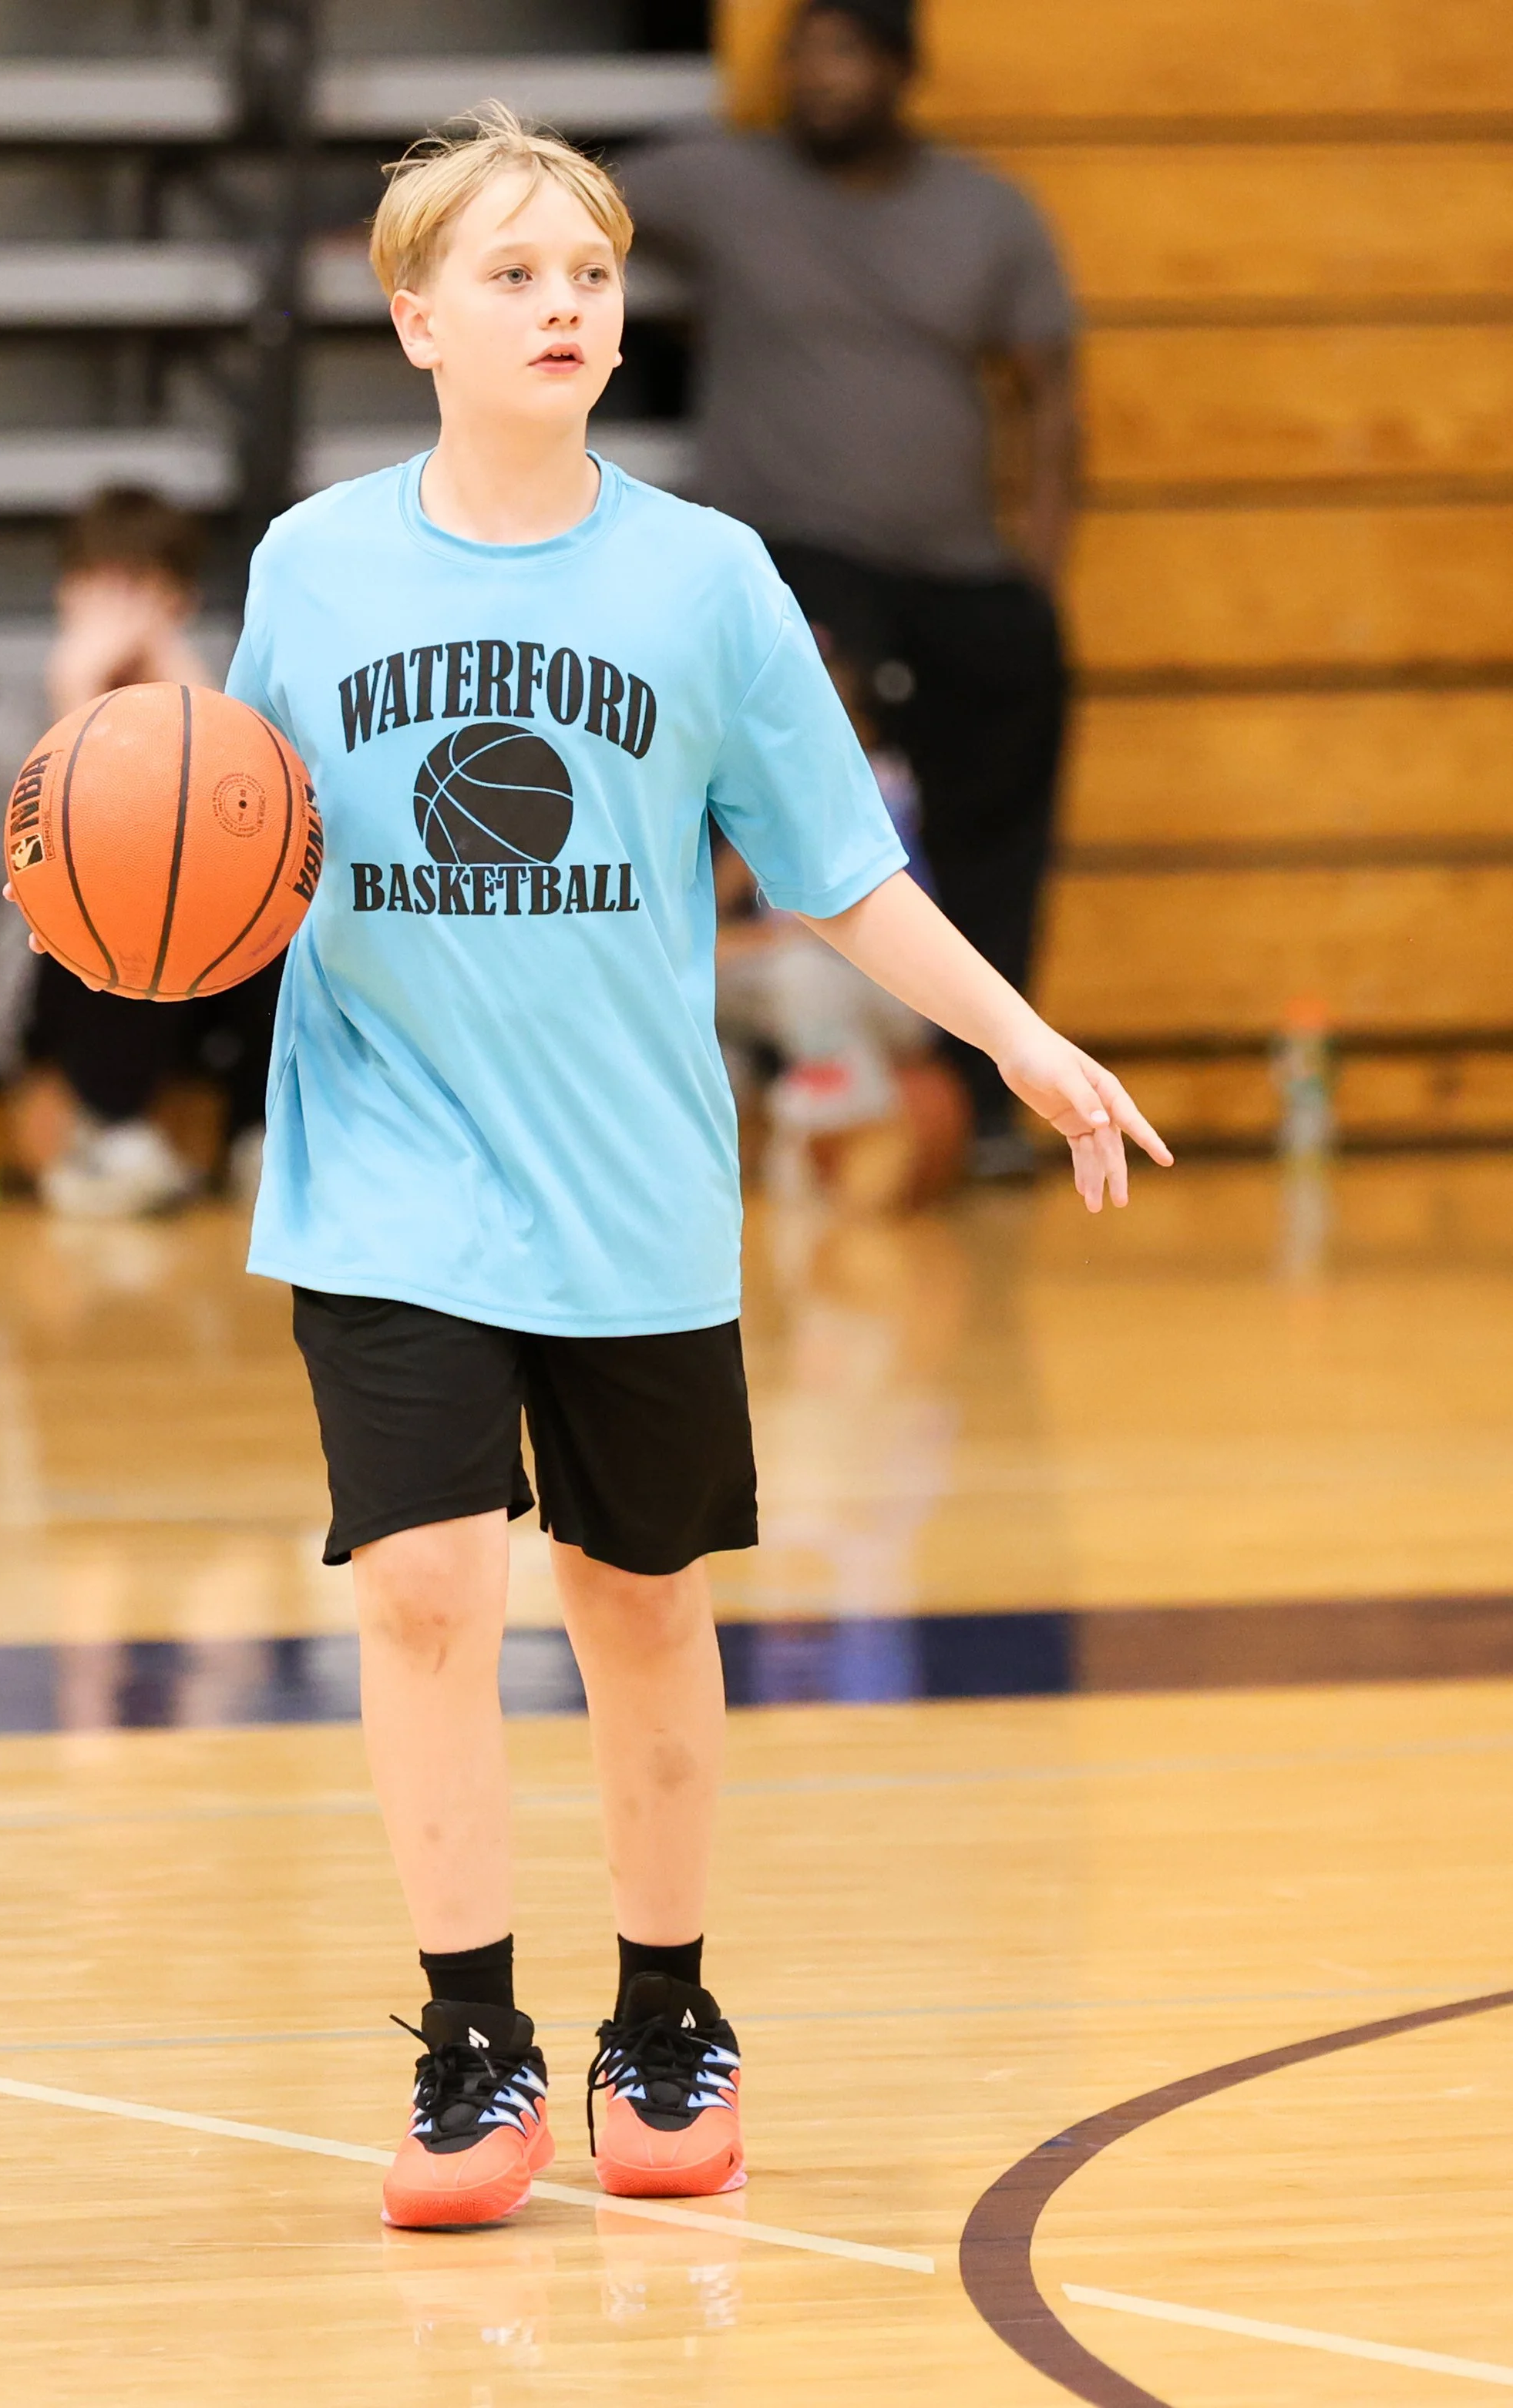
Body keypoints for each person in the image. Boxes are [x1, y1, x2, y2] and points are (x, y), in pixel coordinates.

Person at [222, 105, 1165, 2229]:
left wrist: (1015, 1034)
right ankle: (472, 2043)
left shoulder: (703, 579)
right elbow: (231, 836)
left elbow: (840, 870)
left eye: (588, 273)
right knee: (425, 1583)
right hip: (387, 1156)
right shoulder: (311, 567)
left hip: (632, 1180)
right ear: (412, 321)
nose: (563, 303)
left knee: (639, 1601)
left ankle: (663, 2007)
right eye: (512, 274)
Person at [624, 0, 1081, 1176]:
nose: (818, 78)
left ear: (898, 69)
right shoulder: (717, 182)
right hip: (798, 554)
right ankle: (752, 1083)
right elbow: (553, 199)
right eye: (800, 56)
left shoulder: (985, 213)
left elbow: (1052, 394)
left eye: (844, 54)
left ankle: (984, 1100)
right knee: (796, 796)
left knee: (1008, 743)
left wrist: (1036, 570)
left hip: (961, 568)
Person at [0, 486, 280, 1215]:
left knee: (274, 904)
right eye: (100, 588)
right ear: (64, 595)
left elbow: (255, 829)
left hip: (213, 964)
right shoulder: (14, 706)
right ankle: (109, 1134)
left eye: (141, 591)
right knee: (127, 887)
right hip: (52, 963)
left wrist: (186, 695)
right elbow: (53, 853)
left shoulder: (231, 687)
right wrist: (81, 692)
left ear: (181, 603)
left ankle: (263, 1136)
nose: (119, 616)